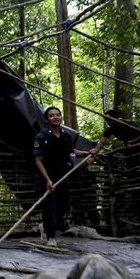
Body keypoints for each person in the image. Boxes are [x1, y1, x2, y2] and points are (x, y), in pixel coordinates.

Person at [32, 106, 93, 247]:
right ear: (47, 120)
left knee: (63, 204)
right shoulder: (42, 137)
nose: (56, 117)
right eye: (52, 115)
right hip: (46, 177)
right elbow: (38, 160)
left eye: (58, 115)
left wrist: (86, 153)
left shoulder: (65, 135)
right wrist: (47, 180)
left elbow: (72, 151)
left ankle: (47, 227)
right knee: (49, 206)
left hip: (62, 176)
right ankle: (50, 237)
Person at [89, 109, 140, 234]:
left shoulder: (128, 123)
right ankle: (136, 202)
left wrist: (132, 142)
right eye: (106, 120)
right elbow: (102, 141)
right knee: (133, 176)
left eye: (109, 119)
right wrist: (95, 152)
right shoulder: (111, 129)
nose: (108, 122)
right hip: (129, 153)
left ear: (117, 118)